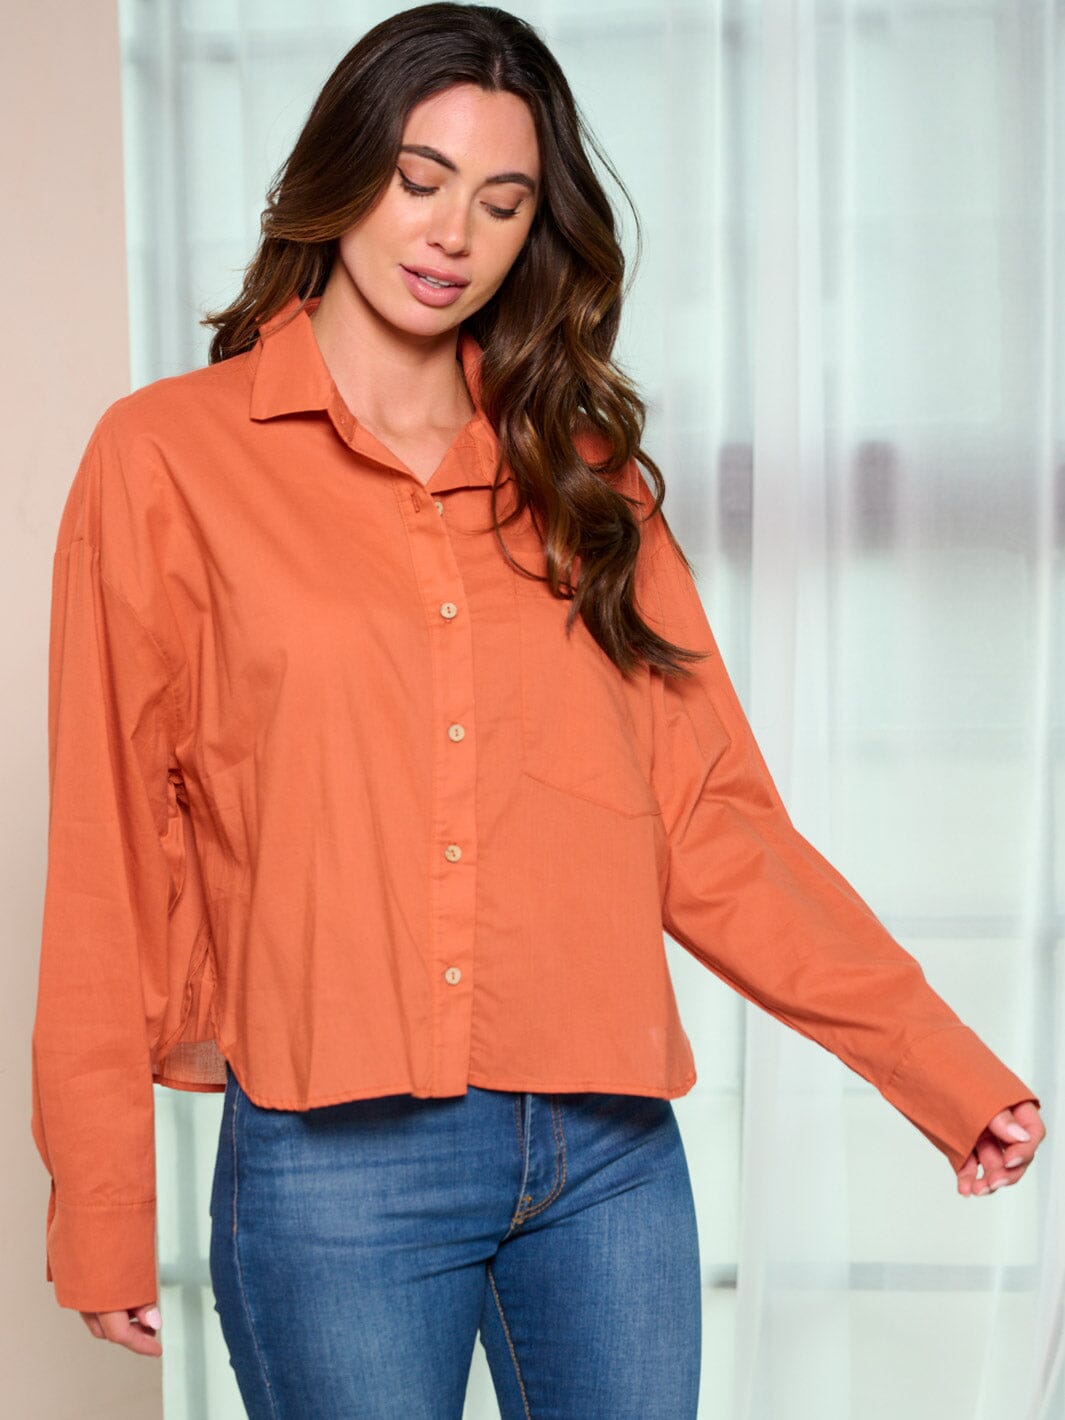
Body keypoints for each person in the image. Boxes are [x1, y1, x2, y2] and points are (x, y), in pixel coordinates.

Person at [30, 3, 1044, 1416]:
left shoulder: (585, 476)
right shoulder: (168, 459)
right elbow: (111, 851)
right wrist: (101, 1201)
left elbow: (710, 822)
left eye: (501, 202)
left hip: (607, 1158)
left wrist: (939, 1066)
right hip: (337, 1173)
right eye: (419, 178)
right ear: (343, 174)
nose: (452, 233)